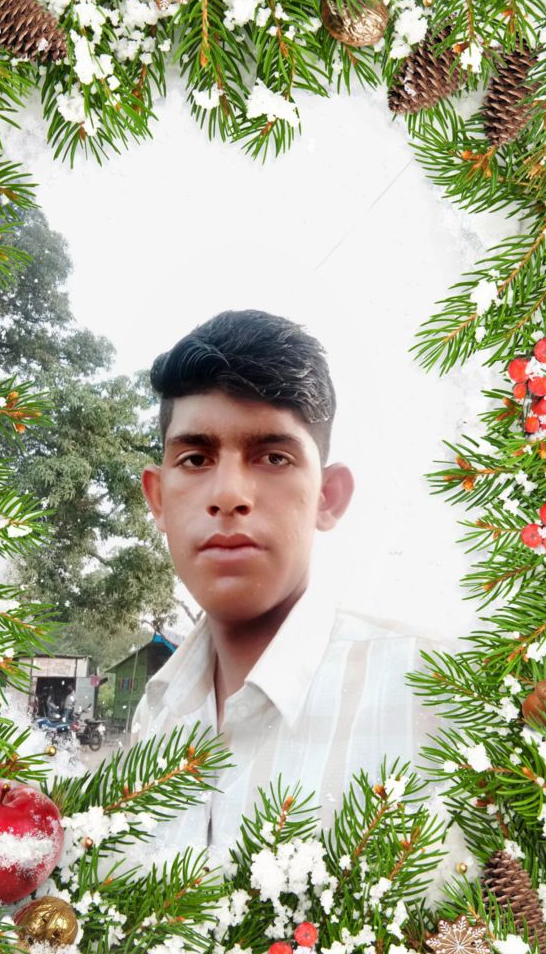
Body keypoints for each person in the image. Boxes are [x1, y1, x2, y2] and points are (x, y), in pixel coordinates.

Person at [130, 309, 457, 871]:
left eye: (274, 457)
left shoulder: (437, 698)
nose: (228, 494)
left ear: (328, 497)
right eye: (196, 458)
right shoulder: (154, 717)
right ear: (158, 498)